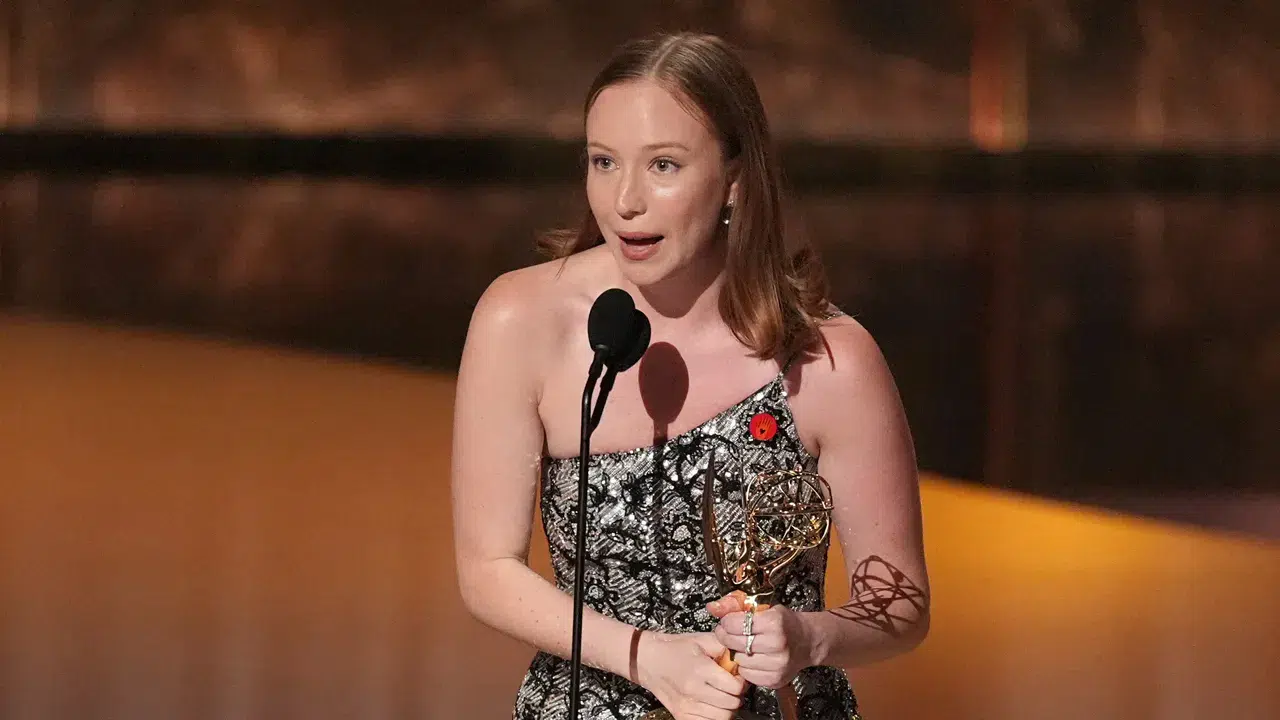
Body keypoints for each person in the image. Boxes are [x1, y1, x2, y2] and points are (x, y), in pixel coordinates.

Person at [451, 32, 930, 720]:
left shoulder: (828, 360)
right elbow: (488, 569)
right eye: (603, 162)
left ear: (735, 177)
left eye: (664, 165)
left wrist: (809, 637)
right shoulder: (520, 319)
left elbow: (899, 606)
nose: (625, 200)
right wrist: (648, 657)